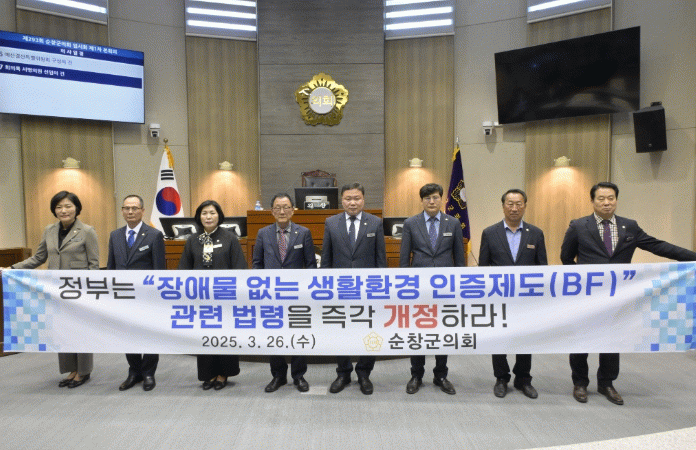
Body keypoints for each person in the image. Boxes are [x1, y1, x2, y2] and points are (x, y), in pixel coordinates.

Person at [560, 181, 696, 405]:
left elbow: (657, 246)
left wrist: (693, 257)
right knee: (582, 339)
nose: (606, 203)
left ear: (616, 200)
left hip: (618, 296)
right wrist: (582, 280)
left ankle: (606, 383)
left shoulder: (629, 226)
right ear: (592, 201)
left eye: (611, 198)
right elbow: (566, 257)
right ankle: (580, 383)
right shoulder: (579, 226)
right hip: (587, 296)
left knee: (612, 339)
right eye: (601, 199)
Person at [10, 191, 99, 388]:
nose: (63, 210)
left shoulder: (87, 231)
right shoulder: (49, 230)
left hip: (79, 291)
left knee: (81, 331)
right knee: (64, 331)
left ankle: (83, 371)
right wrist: (12, 268)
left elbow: (94, 265)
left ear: (76, 208)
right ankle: (72, 369)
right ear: (54, 210)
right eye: (59, 207)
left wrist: (90, 293)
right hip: (56, 291)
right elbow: (38, 258)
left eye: (68, 206)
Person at [479, 188, 547, 400]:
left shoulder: (536, 233)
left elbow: (542, 268)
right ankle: (501, 378)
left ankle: (523, 378)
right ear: (503, 206)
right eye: (510, 204)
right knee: (499, 338)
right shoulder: (490, 233)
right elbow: (483, 268)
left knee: (525, 338)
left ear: (525, 206)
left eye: (519, 204)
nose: (514, 208)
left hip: (526, 299)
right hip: (498, 297)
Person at [400, 183, 465, 395]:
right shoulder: (411, 223)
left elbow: (459, 258)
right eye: (427, 198)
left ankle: (441, 375)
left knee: (442, 331)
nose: (431, 201)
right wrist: (405, 285)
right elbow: (404, 258)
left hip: (446, 288)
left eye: (435, 197)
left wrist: (459, 285)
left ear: (442, 199)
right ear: (421, 201)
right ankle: (416, 375)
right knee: (418, 331)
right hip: (418, 287)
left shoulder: (453, 223)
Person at [322, 183, 387, 395]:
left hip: (368, 290)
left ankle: (364, 373)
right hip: (340, 289)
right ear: (342, 201)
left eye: (357, 198)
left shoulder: (375, 222)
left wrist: (381, 289)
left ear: (363, 200)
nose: (352, 203)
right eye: (348, 198)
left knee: (369, 331)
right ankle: (343, 373)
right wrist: (326, 288)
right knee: (340, 331)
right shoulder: (331, 223)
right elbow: (326, 259)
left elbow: (381, 259)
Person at [178, 200, 247, 391]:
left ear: (219, 216)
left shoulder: (230, 238)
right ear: (199, 217)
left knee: (224, 335)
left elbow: (239, 268)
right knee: (205, 335)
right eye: (204, 213)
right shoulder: (193, 240)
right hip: (201, 298)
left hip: (225, 297)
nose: (208, 217)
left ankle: (223, 373)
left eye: (212, 213)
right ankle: (208, 374)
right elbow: (184, 269)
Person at [253, 193, 317, 393]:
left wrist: (307, 291)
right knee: (274, 335)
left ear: (292, 210)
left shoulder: (303, 233)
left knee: (298, 334)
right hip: (271, 295)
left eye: (286, 207)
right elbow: (257, 264)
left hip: (297, 295)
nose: (282, 211)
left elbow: (311, 265)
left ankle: (299, 376)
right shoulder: (263, 233)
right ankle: (278, 376)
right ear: (272, 211)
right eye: (277, 207)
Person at [107, 195, 166, 392]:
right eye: (126, 208)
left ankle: (148, 373)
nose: (130, 212)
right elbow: (111, 267)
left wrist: (157, 297)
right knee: (127, 334)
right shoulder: (115, 235)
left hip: (147, 297)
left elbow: (159, 270)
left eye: (134, 208)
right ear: (122, 211)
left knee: (149, 334)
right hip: (123, 296)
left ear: (142, 211)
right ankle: (134, 371)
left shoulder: (154, 235)